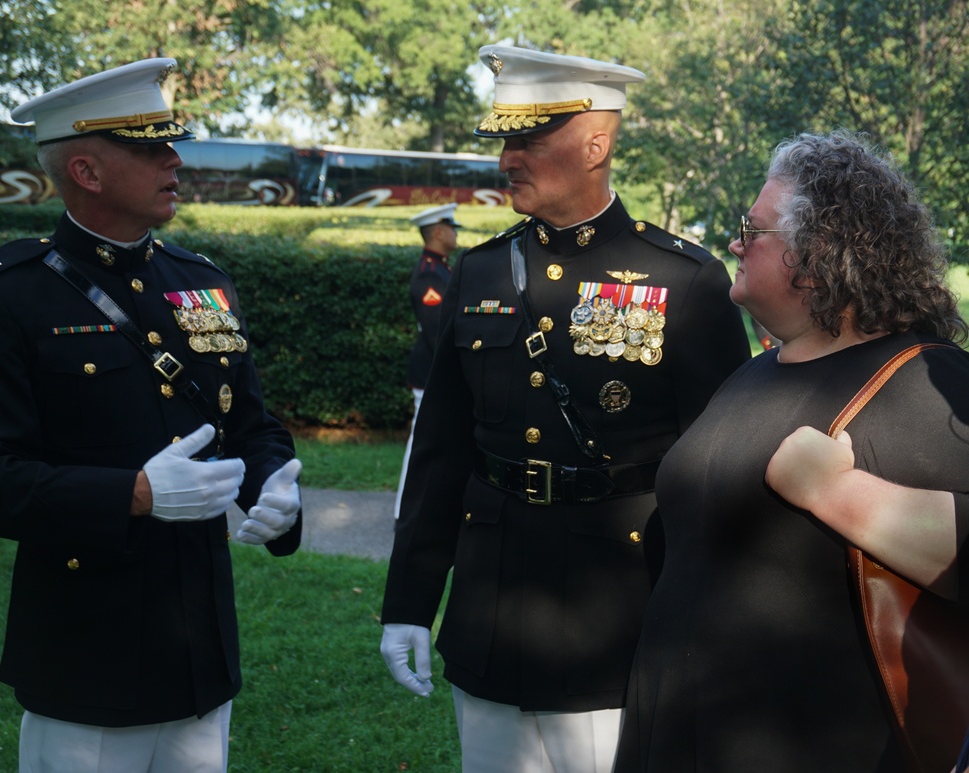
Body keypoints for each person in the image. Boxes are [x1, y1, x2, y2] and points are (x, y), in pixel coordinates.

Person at [379, 44, 751, 772]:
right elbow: (442, 450)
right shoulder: (481, 269)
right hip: (493, 607)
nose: (506, 159)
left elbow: (721, 475)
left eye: (528, 139)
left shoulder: (684, 280)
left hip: (617, 615)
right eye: (504, 140)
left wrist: (714, 623)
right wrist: (409, 599)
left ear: (596, 143)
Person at [0, 58, 303, 772]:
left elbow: (249, 422)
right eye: (151, 146)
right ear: (86, 171)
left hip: (200, 654)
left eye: (170, 140)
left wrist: (276, 482)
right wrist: (133, 495)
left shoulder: (201, 281)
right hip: (85, 658)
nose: (174, 158)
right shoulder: (5, 299)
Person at [614, 129, 969, 771]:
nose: (734, 245)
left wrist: (841, 494)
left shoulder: (926, 382)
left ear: (819, 252)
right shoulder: (757, 371)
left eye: (753, 232)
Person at [393, 203, 461, 521]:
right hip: (430, 373)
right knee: (420, 441)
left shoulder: (442, 269)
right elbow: (438, 334)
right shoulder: (429, 276)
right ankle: (403, 510)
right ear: (437, 232)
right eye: (451, 227)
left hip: (434, 372)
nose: (455, 232)